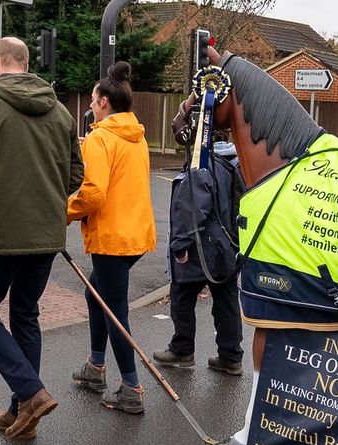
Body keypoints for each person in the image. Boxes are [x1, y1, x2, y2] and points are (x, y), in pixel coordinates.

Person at [0, 37, 83, 439]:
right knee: (26, 314)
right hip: (46, 235)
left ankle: (31, 392)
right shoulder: (60, 112)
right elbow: (76, 175)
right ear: (26, 64)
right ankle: (21, 413)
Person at [69, 62, 156, 414]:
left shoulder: (101, 138)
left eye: (92, 99)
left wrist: (62, 211)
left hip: (111, 238)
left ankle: (131, 387)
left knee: (114, 310)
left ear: (104, 101)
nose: (90, 104)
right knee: (96, 293)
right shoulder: (137, 136)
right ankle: (95, 366)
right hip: (136, 234)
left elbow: (93, 194)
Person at [152, 139, 245, 375]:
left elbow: (191, 207)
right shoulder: (234, 162)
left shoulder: (203, 163)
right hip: (227, 245)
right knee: (226, 302)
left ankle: (182, 350)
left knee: (182, 296)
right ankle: (230, 356)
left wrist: (180, 245)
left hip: (201, 247)